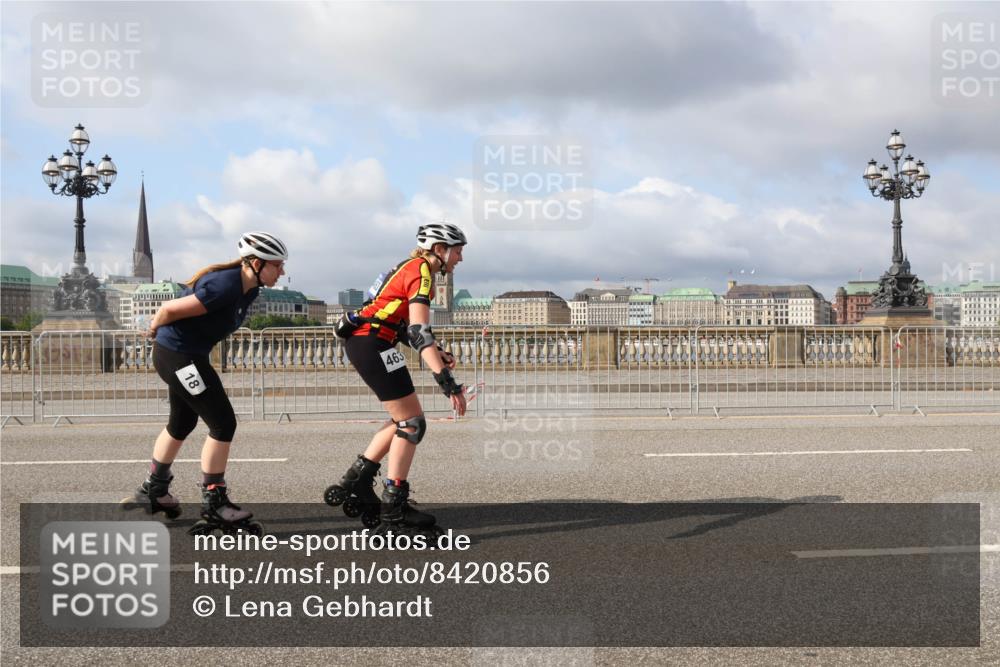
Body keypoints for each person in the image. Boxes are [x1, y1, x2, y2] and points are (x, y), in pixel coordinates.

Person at [122, 232, 288, 536]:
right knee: (223, 423)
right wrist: (154, 329)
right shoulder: (224, 285)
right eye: (277, 265)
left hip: (186, 355)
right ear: (256, 263)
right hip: (179, 356)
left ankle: (154, 489)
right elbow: (168, 310)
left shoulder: (248, 290)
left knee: (182, 423)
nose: (282, 271)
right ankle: (215, 502)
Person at [325, 222, 468, 536]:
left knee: (404, 419)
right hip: (372, 343)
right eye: (457, 251)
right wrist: (448, 384)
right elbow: (418, 331)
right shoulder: (422, 272)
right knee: (412, 424)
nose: (460, 258)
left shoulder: (408, 266)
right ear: (439, 249)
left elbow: (396, 322)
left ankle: (358, 479)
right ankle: (394, 510)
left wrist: (438, 352)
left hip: (374, 342)